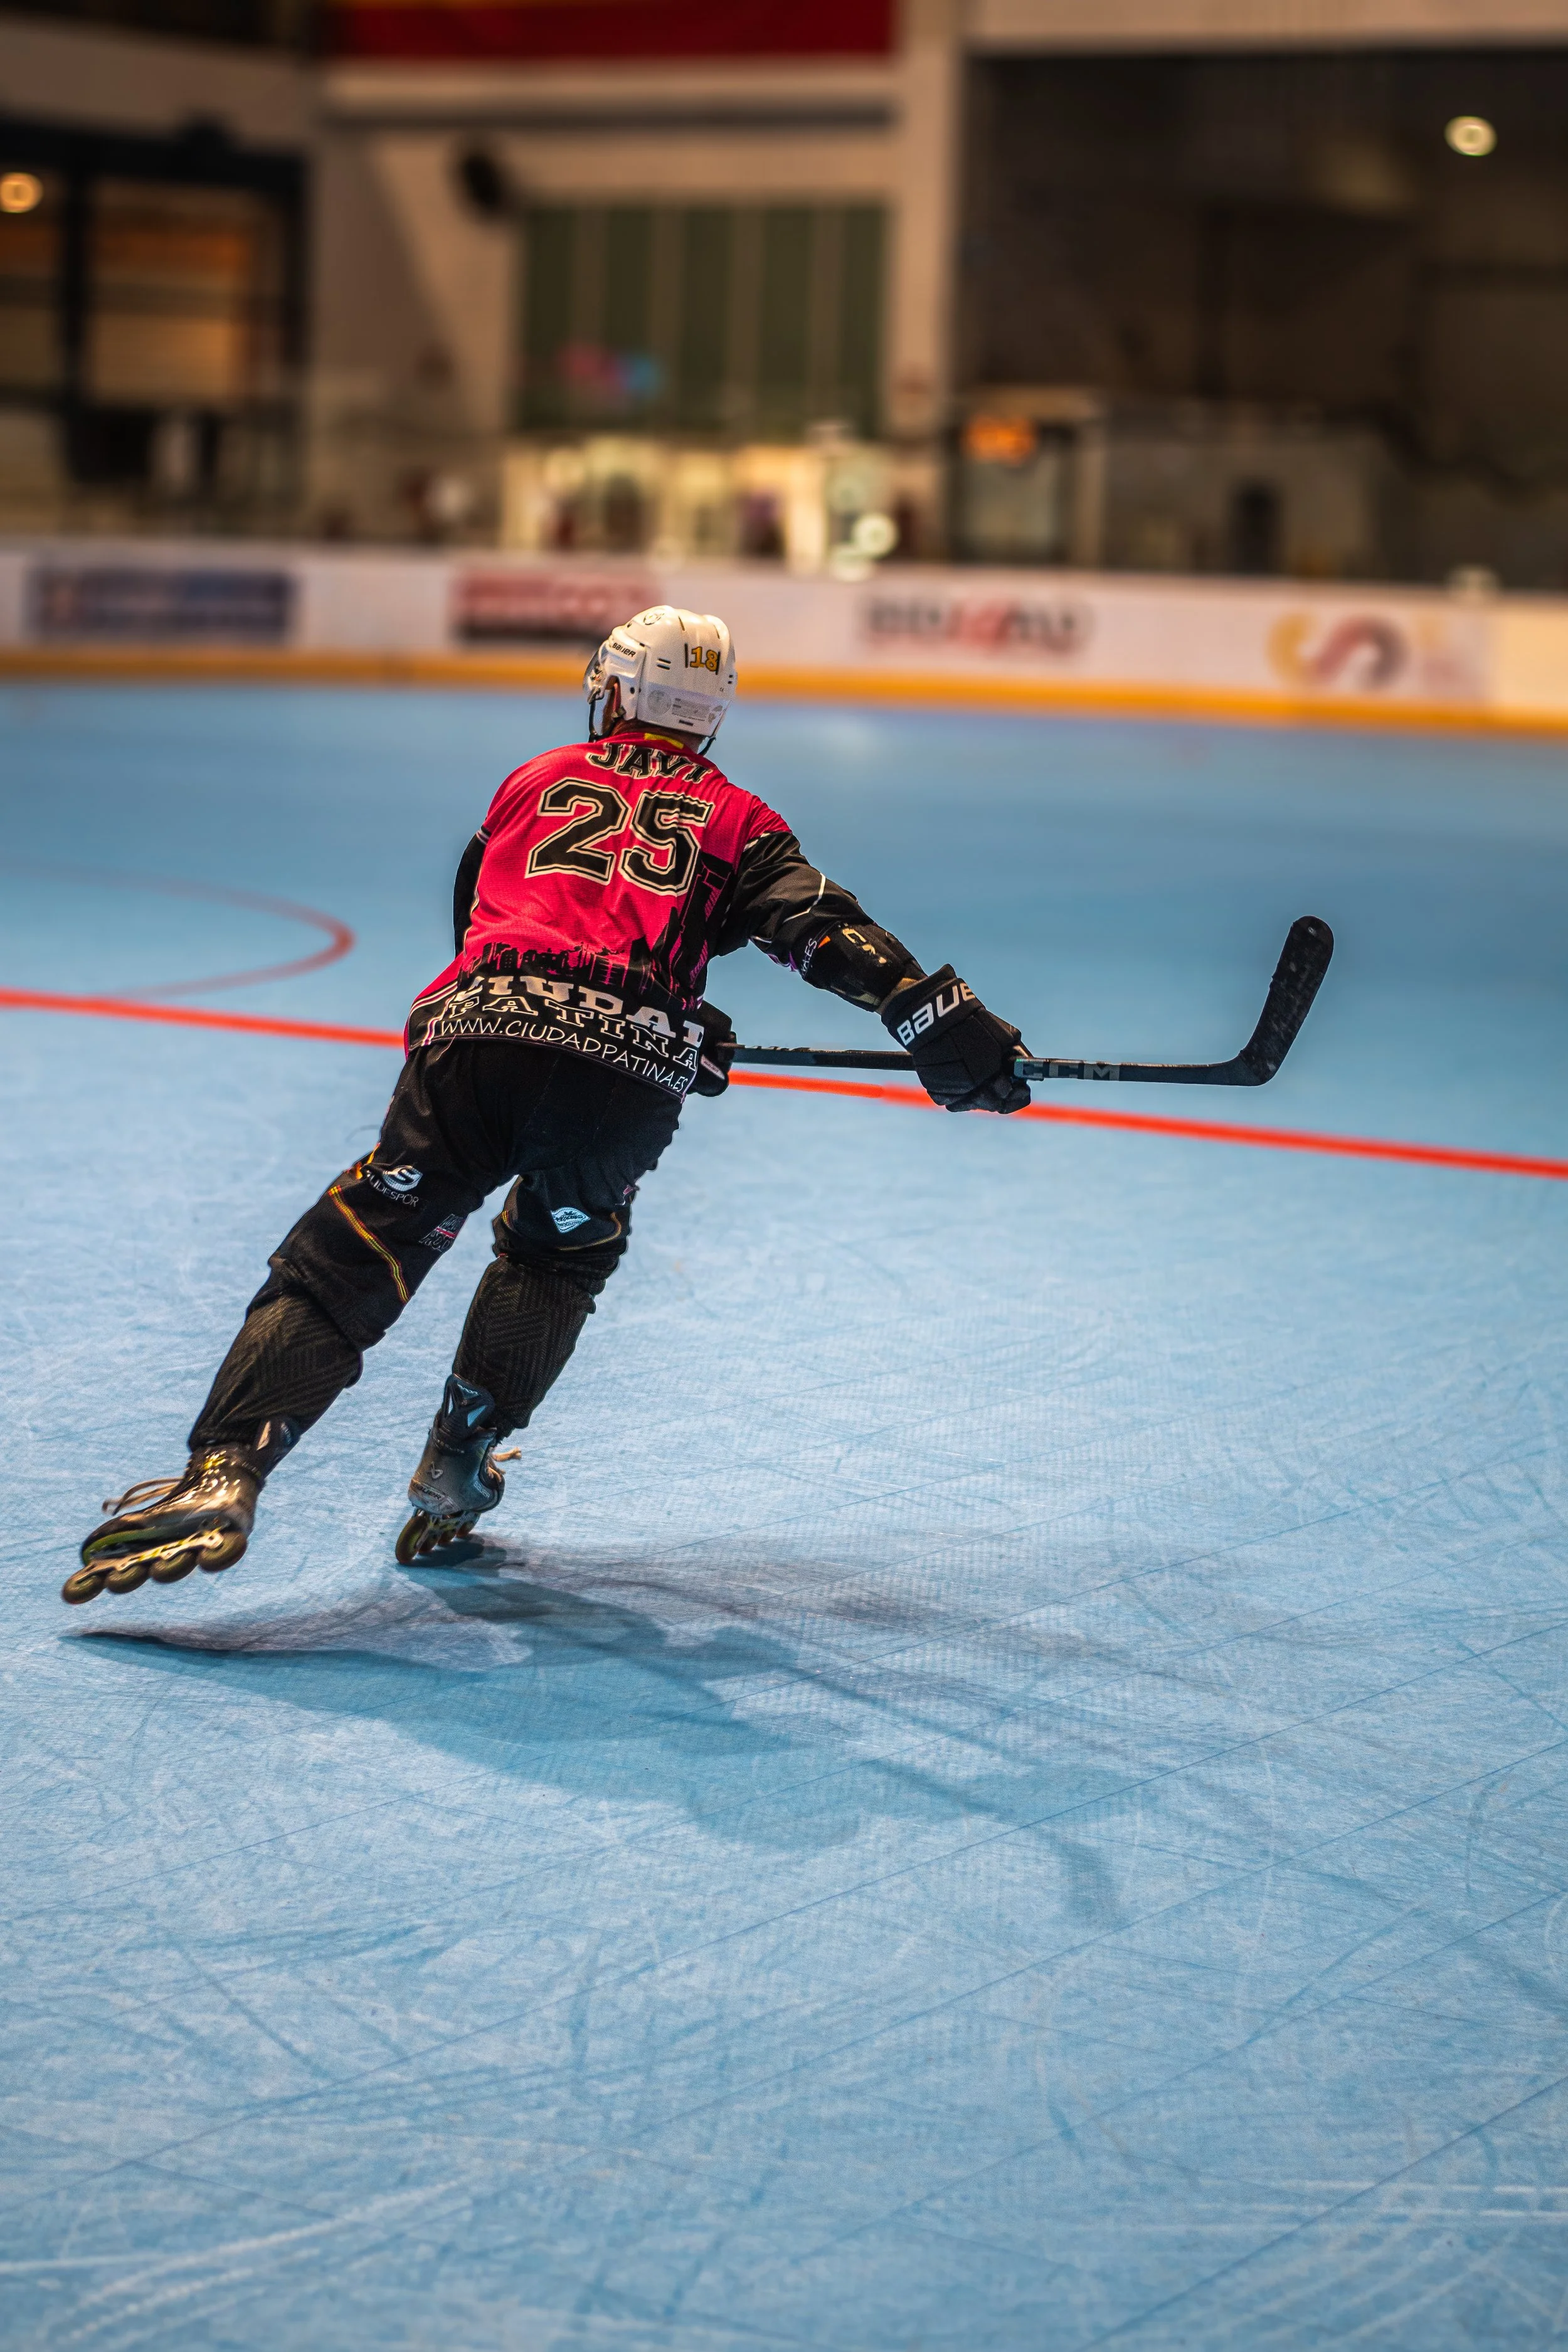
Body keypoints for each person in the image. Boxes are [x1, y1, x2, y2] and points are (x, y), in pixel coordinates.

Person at [67, 607, 1032, 1606]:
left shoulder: (535, 779)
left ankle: (226, 1468)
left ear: (612, 693)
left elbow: (485, 929)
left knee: (360, 1247)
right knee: (557, 1250)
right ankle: (458, 1459)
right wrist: (935, 1020)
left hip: (479, 1045)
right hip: (623, 1082)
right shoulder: (740, 816)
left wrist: (661, 1011)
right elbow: (821, 929)